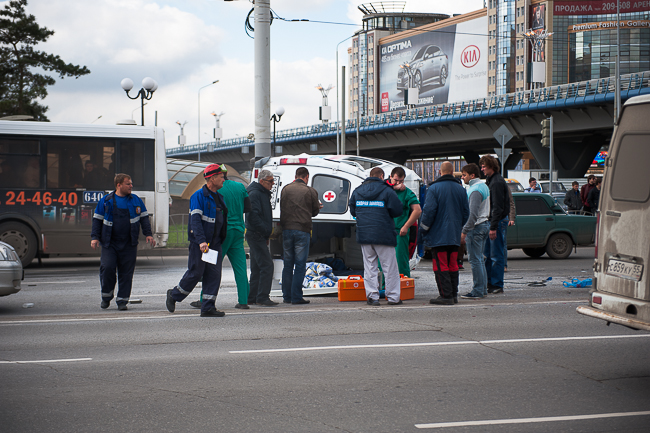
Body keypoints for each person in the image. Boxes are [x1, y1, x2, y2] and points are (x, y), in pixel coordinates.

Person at [166, 164, 228, 317]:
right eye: (221, 176)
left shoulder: (219, 197)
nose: (224, 179)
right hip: (200, 244)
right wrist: (201, 241)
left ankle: (208, 308)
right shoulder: (198, 196)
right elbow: (196, 221)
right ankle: (174, 295)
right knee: (195, 273)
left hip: (214, 244)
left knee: (214, 275)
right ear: (212, 178)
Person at [91, 173, 155, 310]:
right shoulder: (106, 201)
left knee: (126, 273)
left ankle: (122, 301)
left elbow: (144, 218)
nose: (131, 186)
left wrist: (148, 234)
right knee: (107, 268)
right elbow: (97, 220)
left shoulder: (136, 200)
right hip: (110, 243)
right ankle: (106, 297)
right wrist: (95, 237)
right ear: (119, 185)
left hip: (129, 243)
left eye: (131, 183)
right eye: (128, 183)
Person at [190, 173, 251, 310]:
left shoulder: (218, 189)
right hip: (238, 230)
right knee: (240, 267)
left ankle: (203, 299)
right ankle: (243, 300)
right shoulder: (240, 186)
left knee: (212, 266)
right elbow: (248, 208)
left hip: (222, 232)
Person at [349, 167, 403, 306]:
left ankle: (372, 297)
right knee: (389, 267)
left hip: (365, 235)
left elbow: (353, 210)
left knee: (370, 267)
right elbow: (397, 211)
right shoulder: (387, 191)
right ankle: (393, 298)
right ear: (381, 176)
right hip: (383, 234)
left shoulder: (358, 191)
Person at [420, 161, 469, 305]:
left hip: (438, 235)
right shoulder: (461, 189)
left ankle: (445, 295)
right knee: (453, 264)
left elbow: (428, 213)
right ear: (453, 173)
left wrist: (423, 230)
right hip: (454, 235)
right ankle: (453, 295)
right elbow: (466, 213)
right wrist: (457, 226)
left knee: (441, 265)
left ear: (440, 172)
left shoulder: (434, 189)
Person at [279, 167, 321, 304]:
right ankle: (296, 297)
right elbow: (314, 212)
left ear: (296, 175)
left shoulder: (285, 189)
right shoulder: (310, 191)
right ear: (306, 177)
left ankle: (286, 296)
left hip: (286, 230)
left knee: (288, 265)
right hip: (302, 231)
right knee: (300, 265)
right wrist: (317, 207)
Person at [245, 170, 278, 307]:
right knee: (267, 265)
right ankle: (262, 297)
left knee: (257, 267)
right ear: (262, 181)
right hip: (256, 234)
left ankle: (252, 296)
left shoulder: (260, 193)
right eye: (270, 181)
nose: (273, 183)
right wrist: (265, 229)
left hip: (257, 234)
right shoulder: (256, 194)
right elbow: (253, 216)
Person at [480, 155, 510, 295]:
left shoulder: (496, 182)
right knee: (489, 254)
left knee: (495, 255)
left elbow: (497, 207)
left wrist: (493, 227)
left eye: (484, 166)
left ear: (491, 166)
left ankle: (496, 284)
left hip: (496, 222)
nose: (482, 169)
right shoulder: (492, 180)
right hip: (494, 221)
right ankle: (491, 282)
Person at [459, 164, 490, 300]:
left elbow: (472, 214)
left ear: (472, 175)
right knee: (480, 259)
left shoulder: (475, 189)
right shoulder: (483, 186)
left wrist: (465, 230)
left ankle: (477, 290)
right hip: (483, 225)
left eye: (464, 175)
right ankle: (482, 289)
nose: (462, 177)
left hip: (476, 227)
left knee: (475, 260)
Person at [386, 167, 421, 278]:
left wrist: (406, 226)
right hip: (384, 231)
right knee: (383, 262)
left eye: (401, 181)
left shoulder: (406, 192)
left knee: (401, 262)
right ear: (390, 177)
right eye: (396, 180)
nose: (399, 183)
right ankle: (383, 287)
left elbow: (418, 210)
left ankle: (403, 286)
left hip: (400, 232)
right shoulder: (384, 189)